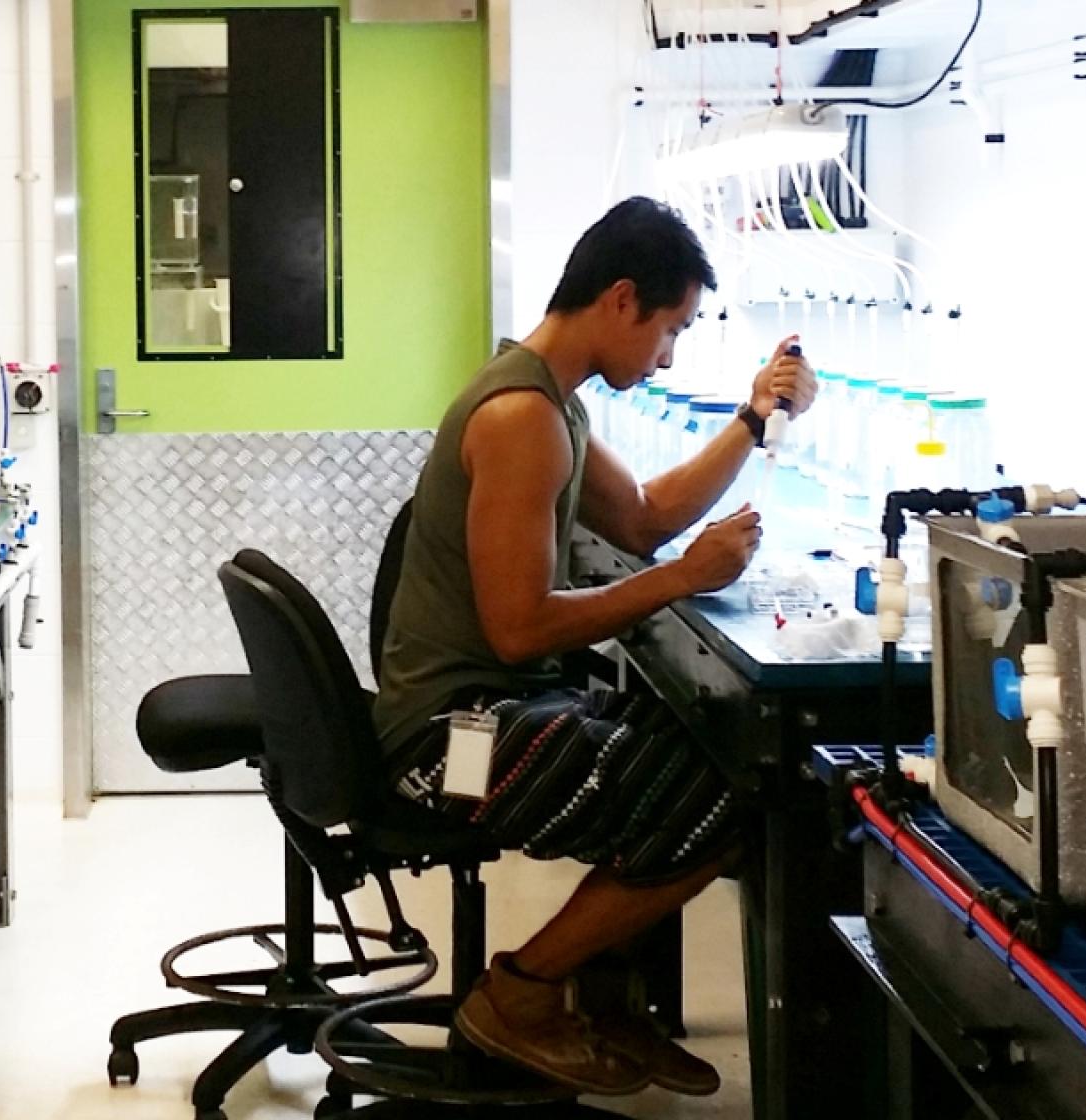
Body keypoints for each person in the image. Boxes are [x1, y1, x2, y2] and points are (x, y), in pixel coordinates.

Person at [370, 196, 815, 1098]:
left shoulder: (552, 403)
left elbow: (647, 519)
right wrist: (687, 577)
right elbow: (520, 628)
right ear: (621, 300)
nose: (668, 356)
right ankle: (521, 994)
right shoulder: (518, 419)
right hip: (448, 741)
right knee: (720, 799)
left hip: (493, 710)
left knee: (696, 751)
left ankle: (607, 997)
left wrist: (753, 419)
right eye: (670, 330)